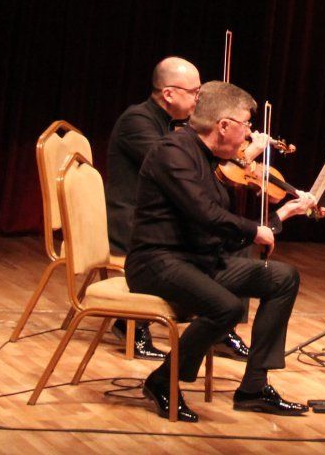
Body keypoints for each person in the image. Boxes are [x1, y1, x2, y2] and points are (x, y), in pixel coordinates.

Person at [125, 80, 318, 421]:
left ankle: (254, 387)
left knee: (283, 278)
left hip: (198, 261)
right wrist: (256, 229)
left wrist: (278, 216)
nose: (248, 137)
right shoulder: (172, 153)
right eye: (246, 126)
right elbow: (206, 215)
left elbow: (220, 228)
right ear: (224, 125)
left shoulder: (207, 156)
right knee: (225, 307)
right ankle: (162, 381)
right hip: (157, 262)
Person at [105, 57, 251, 362]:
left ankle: (219, 324)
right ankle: (218, 324)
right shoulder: (138, 122)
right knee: (223, 235)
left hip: (164, 218)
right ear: (169, 94)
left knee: (230, 237)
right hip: (134, 223)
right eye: (194, 92)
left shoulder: (172, 126)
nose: (200, 100)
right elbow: (180, 172)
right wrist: (246, 152)